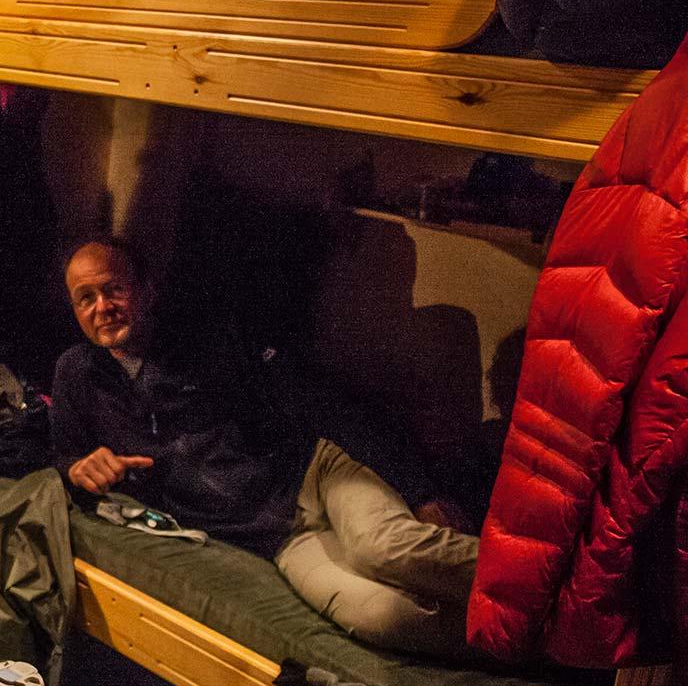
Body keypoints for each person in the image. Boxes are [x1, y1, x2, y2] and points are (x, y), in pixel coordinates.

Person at [50, 238, 482, 658]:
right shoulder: (77, 374)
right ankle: (523, 643)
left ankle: (543, 584)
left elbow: (327, 403)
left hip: (315, 475)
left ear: (145, 289)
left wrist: (419, 489)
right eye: (85, 298)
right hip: (277, 539)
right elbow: (65, 454)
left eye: (114, 290)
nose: (102, 308)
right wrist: (78, 468)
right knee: (385, 616)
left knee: (384, 550)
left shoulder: (207, 339)